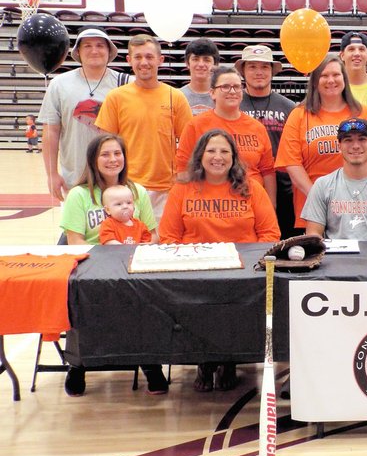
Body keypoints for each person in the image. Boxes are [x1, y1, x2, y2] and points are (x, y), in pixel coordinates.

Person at [161, 129, 279, 391]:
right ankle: (204, 359)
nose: (218, 157)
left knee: (235, 300)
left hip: (242, 269)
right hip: (196, 268)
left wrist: (247, 262)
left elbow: (270, 234)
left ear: (234, 157)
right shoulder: (182, 189)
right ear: (200, 155)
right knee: (200, 300)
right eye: (211, 151)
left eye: (224, 151)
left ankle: (230, 359)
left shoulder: (252, 188)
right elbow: (168, 237)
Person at [60, 134, 165, 396]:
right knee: (79, 297)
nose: (112, 159)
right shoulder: (79, 195)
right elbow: (74, 240)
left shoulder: (137, 191)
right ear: (93, 160)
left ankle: (150, 364)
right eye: (105, 154)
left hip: (132, 262)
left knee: (148, 297)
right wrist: (105, 262)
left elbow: (153, 235)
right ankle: (78, 364)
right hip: (93, 264)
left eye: (117, 153)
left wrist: (136, 253)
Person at [275, 55, 367, 231]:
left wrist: (357, 194)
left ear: (344, 79)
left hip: (358, 207)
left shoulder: (364, 113)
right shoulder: (299, 115)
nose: (331, 80)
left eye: (336, 75)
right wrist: (320, 198)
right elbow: (292, 164)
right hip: (312, 208)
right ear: (315, 81)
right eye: (324, 76)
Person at [95, 34, 193, 219]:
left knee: (163, 244)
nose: (144, 62)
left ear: (161, 60)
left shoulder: (176, 97)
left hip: (166, 191)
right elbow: (104, 146)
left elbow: (190, 144)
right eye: (138, 57)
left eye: (149, 56)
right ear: (129, 60)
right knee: (128, 244)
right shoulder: (115, 98)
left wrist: (184, 175)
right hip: (127, 188)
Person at [38, 27, 129, 200]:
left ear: (109, 50)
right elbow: (51, 131)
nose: (94, 50)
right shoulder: (59, 84)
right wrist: (51, 174)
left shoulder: (125, 84)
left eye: (100, 45)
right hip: (74, 180)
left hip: (116, 181)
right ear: (78, 51)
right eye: (87, 46)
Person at [176, 66, 277, 208]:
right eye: (225, 87)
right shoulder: (196, 125)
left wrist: (270, 206)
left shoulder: (257, 127)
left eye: (236, 87)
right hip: (209, 205)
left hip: (250, 203)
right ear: (212, 93)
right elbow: (182, 169)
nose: (232, 91)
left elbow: (268, 171)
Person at [236, 45, 298, 239]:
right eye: (252, 67)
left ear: (272, 71)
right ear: (243, 71)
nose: (259, 72)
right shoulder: (234, 105)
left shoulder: (288, 107)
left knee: (284, 241)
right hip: (242, 184)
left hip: (284, 188)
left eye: (264, 67)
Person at [180, 37, 219, 115]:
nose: (201, 64)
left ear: (215, 64)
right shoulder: (177, 96)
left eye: (206, 60)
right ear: (187, 63)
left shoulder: (222, 96)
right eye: (195, 59)